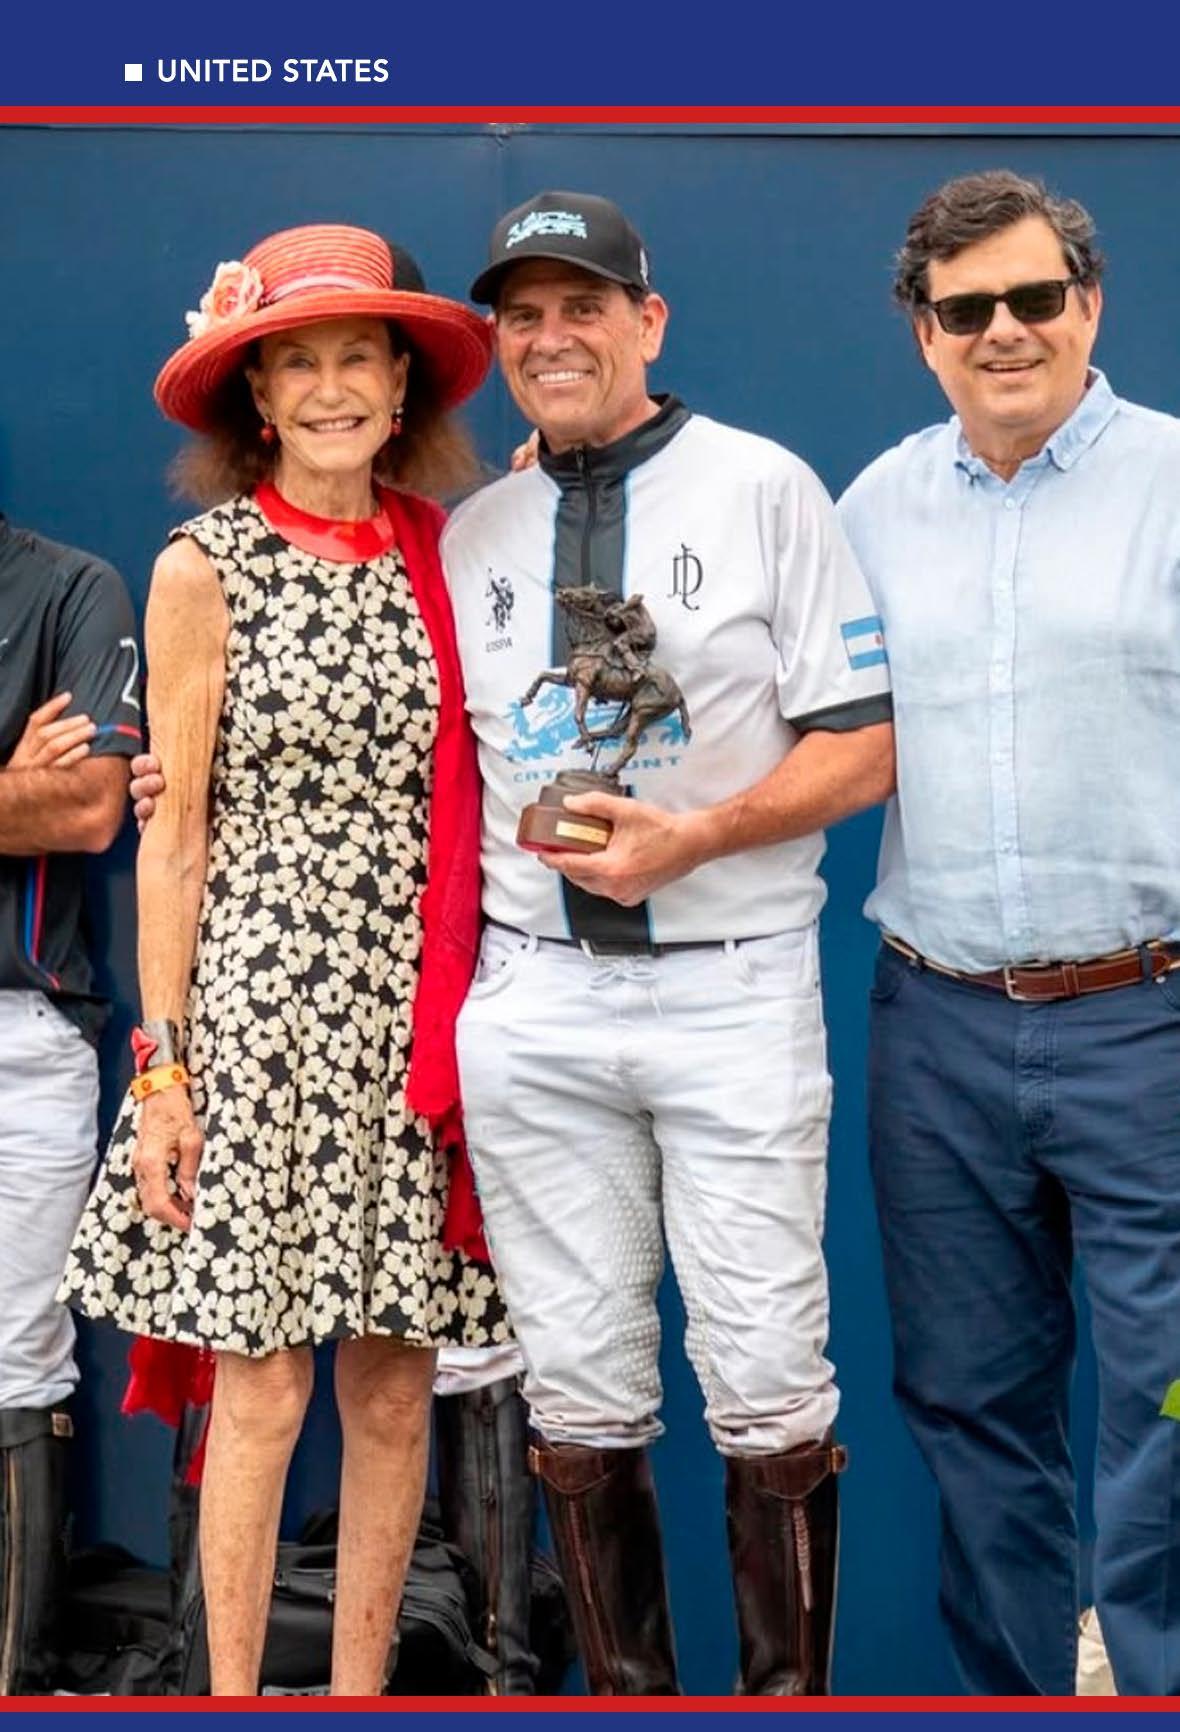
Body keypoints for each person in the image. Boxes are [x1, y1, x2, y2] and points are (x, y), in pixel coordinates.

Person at [442, 190, 895, 1695]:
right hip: (534, 1000)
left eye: (584, 307)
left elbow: (863, 745)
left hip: (728, 990)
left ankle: (783, 1706)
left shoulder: (764, 486)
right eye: (522, 317)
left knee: (767, 1377)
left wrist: (692, 838)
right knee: (575, 1385)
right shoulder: (479, 526)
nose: (551, 338)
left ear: (649, 320)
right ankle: (630, 1702)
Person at [59, 223, 510, 1697]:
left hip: (416, 1018)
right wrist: (166, 1068)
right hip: (259, 1019)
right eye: (296, 363)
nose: (329, 389)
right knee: (260, 1390)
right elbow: (174, 836)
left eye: (355, 358)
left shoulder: (453, 550)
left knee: (395, 1391)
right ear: (256, 395)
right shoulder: (205, 565)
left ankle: (361, 1699)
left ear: (401, 383)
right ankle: (236, 1701)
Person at [836, 169, 1180, 1696]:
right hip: (942, 1029)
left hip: (1152, 1018)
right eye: (966, 308)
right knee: (970, 1404)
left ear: (1088, 305)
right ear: (923, 332)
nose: (1004, 331)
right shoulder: (870, 510)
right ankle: (1028, 1703)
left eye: (1036, 297)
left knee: (1170, 1397)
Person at [0, 517, 139, 1693]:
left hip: (23, 1028)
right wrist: (9, 781)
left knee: (14, 1359)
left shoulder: (69, 587)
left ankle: (16, 1680)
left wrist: (40, 791)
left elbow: (88, 809)